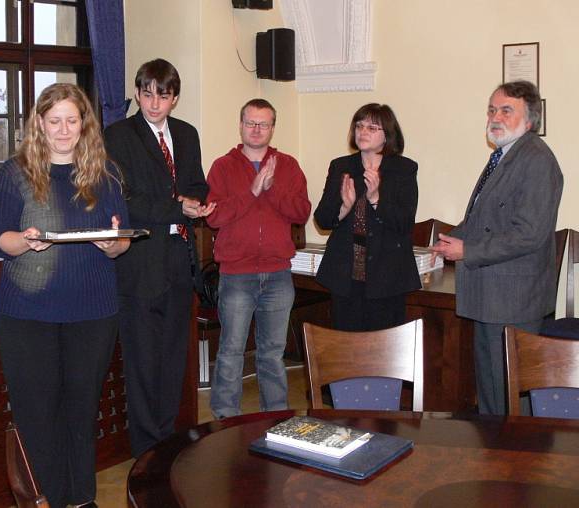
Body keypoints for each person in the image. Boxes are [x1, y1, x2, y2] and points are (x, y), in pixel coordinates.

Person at [0, 83, 129, 508]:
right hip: (27, 315)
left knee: (81, 411)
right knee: (37, 415)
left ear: (84, 124)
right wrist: (25, 240)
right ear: (40, 125)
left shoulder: (106, 174)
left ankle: (82, 499)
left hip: (93, 311)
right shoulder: (14, 173)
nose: (64, 130)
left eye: (72, 120)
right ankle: (42, 500)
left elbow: (122, 237)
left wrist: (113, 244)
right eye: (55, 121)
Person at [431, 81, 563, 416]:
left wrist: (469, 251)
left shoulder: (536, 160)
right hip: (491, 296)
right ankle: (495, 459)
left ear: (530, 119)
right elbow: (481, 219)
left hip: (513, 300)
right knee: (491, 395)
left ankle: (517, 465)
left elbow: (529, 234)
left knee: (509, 399)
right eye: (492, 109)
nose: (495, 117)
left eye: (506, 110)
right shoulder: (504, 155)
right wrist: (448, 242)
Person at [104, 59, 214, 457]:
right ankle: (146, 454)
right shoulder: (118, 135)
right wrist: (177, 207)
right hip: (140, 266)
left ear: (174, 98)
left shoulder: (186, 134)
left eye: (162, 95)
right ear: (137, 94)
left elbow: (197, 182)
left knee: (172, 365)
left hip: (179, 264)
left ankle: (166, 446)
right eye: (147, 94)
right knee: (143, 366)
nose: (154, 103)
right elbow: (125, 199)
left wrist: (197, 202)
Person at [205, 98, 311, 419]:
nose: (256, 129)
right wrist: (252, 190)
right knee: (231, 352)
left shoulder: (288, 166)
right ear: (240, 125)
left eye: (263, 124)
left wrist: (272, 188)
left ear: (272, 128)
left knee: (272, 354)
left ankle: (276, 417)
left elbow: (302, 212)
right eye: (251, 123)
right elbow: (214, 217)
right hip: (236, 275)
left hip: (278, 275)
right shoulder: (223, 166)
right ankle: (226, 418)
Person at [314, 103, 420, 331]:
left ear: (387, 135)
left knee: (383, 351)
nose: (363, 132)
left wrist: (375, 199)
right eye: (359, 126)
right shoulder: (341, 166)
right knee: (347, 349)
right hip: (345, 274)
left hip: (387, 275)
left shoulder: (404, 169)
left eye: (372, 127)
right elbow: (322, 219)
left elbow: (404, 223)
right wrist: (345, 206)